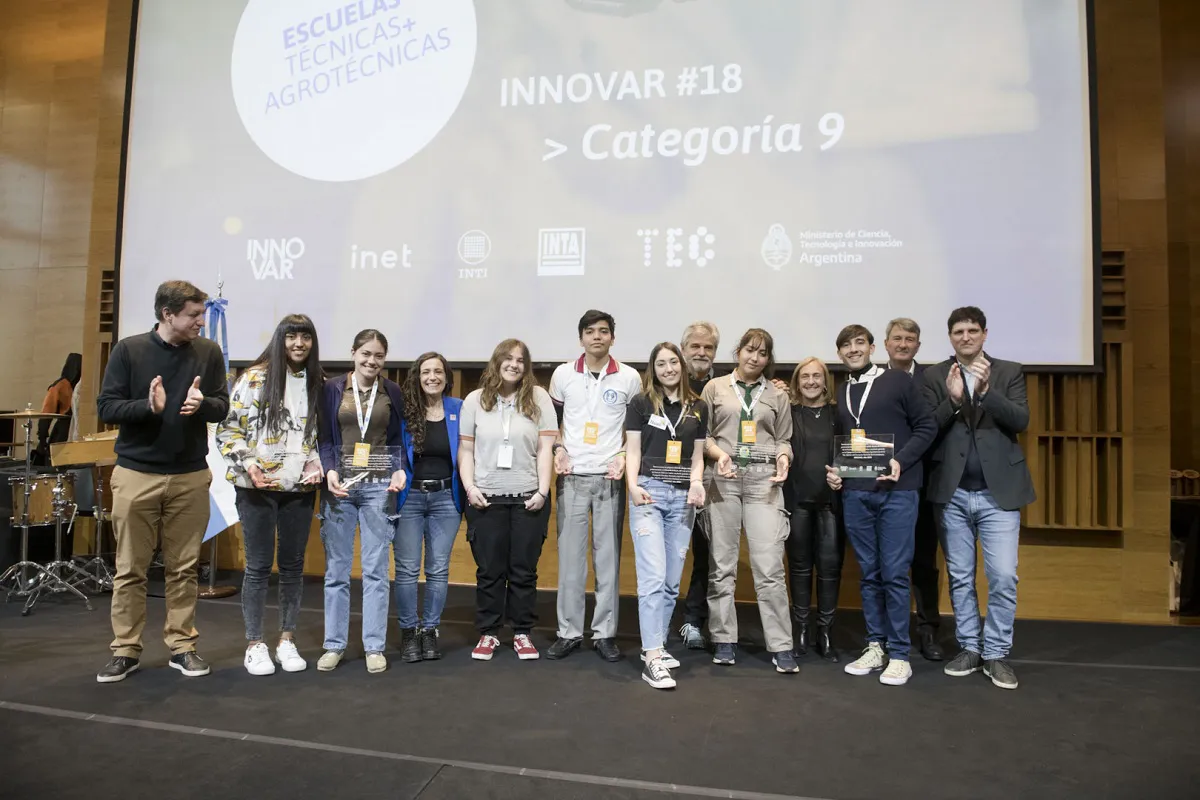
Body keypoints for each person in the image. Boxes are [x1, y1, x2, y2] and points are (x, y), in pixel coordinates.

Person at [94, 280, 229, 683]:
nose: (201, 322)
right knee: (130, 569)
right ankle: (125, 650)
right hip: (136, 474)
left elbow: (222, 406)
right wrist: (147, 406)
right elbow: (106, 407)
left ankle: (182, 646)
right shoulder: (129, 350)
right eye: (194, 315)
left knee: (184, 568)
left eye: (202, 314)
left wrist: (203, 405)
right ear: (168, 314)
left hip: (190, 475)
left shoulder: (209, 352)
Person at [920, 306, 1034, 690]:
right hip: (951, 493)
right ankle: (970, 647)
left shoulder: (1009, 371)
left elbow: (1020, 420)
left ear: (984, 334)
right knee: (960, 576)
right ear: (950, 337)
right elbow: (926, 428)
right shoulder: (935, 376)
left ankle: (996, 652)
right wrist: (953, 401)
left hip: (998, 494)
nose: (965, 337)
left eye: (972, 331)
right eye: (958, 332)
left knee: (1003, 576)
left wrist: (985, 394)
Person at [824, 324, 935, 686]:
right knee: (869, 573)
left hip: (897, 491)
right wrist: (838, 473)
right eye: (846, 345)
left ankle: (900, 654)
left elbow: (927, 427)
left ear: (873, 348)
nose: (853, 349)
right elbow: (849, 442)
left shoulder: (898, 381)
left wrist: (901, 460)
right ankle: (876, 645)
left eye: (860, 343)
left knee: (895, 573)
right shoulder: (843, 390)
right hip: (856, 492)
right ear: (839, 353)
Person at [215, 314, 324, 676]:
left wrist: (316, 462)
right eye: (292, 337)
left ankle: (287, 639)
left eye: (305, 337)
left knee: (293, 566)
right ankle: (255, 643)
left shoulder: (318, 381)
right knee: (258, 566)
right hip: (256, 488)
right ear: (281, 339)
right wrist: (249, 464)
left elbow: (322, 435)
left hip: (299, 488)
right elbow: (228, 429)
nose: (299, 344)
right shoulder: (253, 378)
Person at [701, 328, 798, 674]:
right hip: (723, 479)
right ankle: (724, 639)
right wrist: (718, 455)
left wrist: (783, 458)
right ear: (738, 352)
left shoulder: (777, 394)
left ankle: (781, 644)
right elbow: (704, 435)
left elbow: (784, 438)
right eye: (749, 350)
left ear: (768, 359)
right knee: (722, 565)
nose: (755, 358)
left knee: (770, 566)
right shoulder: (715, 388)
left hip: (763, 481)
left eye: (762, 353)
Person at [547, 310, 642, 662]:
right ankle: (569, 632)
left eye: (604, 331)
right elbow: (553, 424)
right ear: (581, 338)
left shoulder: (630, 377)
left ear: (613, 338)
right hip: (571, 477)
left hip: (609, 477)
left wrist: (622, 456)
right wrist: (558, 450)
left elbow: (635, 431)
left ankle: (604, 633)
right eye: (590, 331)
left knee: (608, 560)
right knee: (571, 561)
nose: (597, 337)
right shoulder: (562, 375)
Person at [459, 339, 556, 661]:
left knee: (524, 571)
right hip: (486, 498)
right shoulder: (475, 400)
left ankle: (522, 632)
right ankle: (488, 633)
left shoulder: (538, 398)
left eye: (520, 360)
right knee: (489, 571)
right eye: (508, 358)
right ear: (496, 361)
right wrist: (470, 487)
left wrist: (543, 491)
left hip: (528, 498)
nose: (514, 364)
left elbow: (545, 448)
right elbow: (466, 450)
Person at [316, 329, 406, 674]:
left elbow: (396, 439)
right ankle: (334, 644)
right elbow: (325, 437)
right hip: (340, 486)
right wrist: (328, 469)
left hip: (378, 487)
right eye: (366, 353)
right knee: (337, 571)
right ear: (353, 353)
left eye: (379, 355)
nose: (372, 361)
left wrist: (399, 470)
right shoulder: (332, 389)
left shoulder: (391, 391)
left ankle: (374, 646)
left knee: (376, 570)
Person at [626, 342, 708, 689]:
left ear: (682, 366)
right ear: (653, 369)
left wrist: (697, 483)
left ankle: (655, 647)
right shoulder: (641, 404)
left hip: (682, 499)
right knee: (653, 578)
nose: (668, 369)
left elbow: (698, 456)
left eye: (673, 362)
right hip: (648, 493)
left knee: (672, 582)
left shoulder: (698, 407)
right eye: (661, 364)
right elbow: (632, 450)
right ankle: (653, 658)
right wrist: (632, 486)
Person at [395, 351, 464, 662]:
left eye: (438, 371)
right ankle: (409, 631)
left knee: (438, 568)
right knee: (407, 569)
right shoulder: (405, 410)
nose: (432, 377)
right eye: (426, 372)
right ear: (417, 377)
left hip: (446, 499)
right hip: (409, 498)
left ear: (446, 377)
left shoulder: (459, 409)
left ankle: (430, 631)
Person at [884, 317, 945, 661]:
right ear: (886, 344)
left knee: (923, 559)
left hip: (922, 482)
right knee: (887, 562)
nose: (903, 344)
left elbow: (934, 426)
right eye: (897, 338)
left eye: (910, 339)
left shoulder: (933, 379)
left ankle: (928, 630)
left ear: (918, 346)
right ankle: (885, 633)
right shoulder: (872, 379)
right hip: (882, 484)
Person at [782, 356, 843, 662]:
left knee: (830, 568)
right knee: (799, 567)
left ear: (825, 381)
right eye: (804, 376)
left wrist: (843, 471)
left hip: (831, 502)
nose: (810, 381)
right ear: (797, 381)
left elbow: (852, 448)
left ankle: (826, 633)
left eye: (816, 376)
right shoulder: (788, 412)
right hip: (797, 501)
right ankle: (801, 630)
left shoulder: (838, 413)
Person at [676, 320, 720, 650]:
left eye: (708, 347)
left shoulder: (725, 385)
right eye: (695, 346)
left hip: (710, 482)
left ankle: (694, 620)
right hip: (667, 480)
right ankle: (657, 621)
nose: (701, 352)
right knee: (667, 554)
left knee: (706, 554)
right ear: (683, 349)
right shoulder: (667, 380)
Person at [34, 352, 82, 465]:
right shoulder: (61, 386)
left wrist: (42, 437)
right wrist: (42, 439)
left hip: (70, 427)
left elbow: (46, 414)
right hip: (67, 428)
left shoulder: (78, 386)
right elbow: (46, 414)